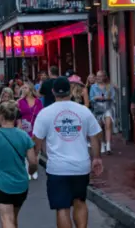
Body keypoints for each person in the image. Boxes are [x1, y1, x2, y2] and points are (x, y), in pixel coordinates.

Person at [33, 76, 103, 228]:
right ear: (70, 91)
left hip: (57, 168)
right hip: (81, 165)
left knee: (62, 207)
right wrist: (96, 158)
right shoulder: (83, 111)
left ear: (53, 91)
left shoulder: (45, 114)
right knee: (80, 201)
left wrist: (33, 161)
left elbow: (36, 143)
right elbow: (95, 137)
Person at [0, 101, 38, 228]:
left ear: (1, 116)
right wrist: (31, 172)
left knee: (6, 220)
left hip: (0, 184)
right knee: (13, 219)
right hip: (21, 185)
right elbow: (33, 161)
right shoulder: (24, 136)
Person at [17, 82, 43, 180]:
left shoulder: (38, 101)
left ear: (31, 89)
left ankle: (34, 168)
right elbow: (15, 109)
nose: (24, 89)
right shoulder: (20, 101)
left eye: (26, 87)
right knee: (25, 149)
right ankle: (27, 168)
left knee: (36, 149)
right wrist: (20, 97)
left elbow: (42, 115)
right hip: (24, 127)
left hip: (36, 127)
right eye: (23, 88)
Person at [89, 71, 117, 154]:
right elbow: (90, 98)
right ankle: (102, 143)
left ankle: (108, 145)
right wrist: (96, 97)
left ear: (104, 77)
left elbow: (112, 96)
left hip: (107, 107)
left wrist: (106, 97)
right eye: (97, 76)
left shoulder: (109, 86)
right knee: (100, 127)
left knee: (108, 124)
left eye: (100, 76)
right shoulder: (93, 87)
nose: (98, 78)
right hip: (98, 108)